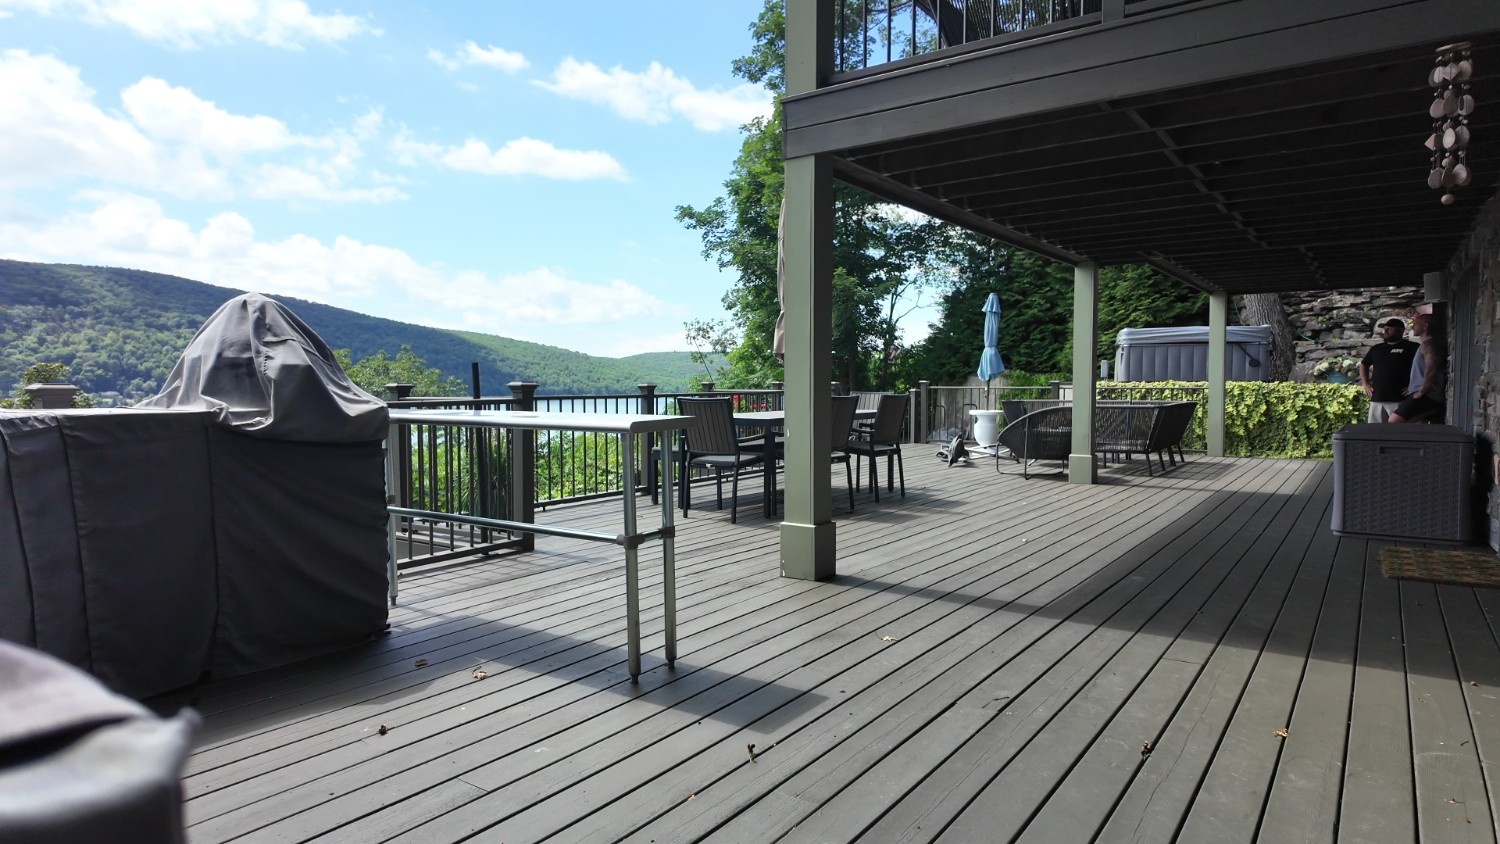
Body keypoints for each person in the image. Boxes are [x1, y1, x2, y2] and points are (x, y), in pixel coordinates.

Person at [1359, 316, 1419, 422]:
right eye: (1385, 328)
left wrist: (1415, 386)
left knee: (1399, 434)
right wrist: (1365, 383)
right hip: (1377, 399)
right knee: (1375, 433)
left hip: (1401, 399)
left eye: (1390, 328)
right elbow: (1364, 364)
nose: (1386, 330)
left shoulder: (1412, 347)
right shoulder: (1376, 349)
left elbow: (1423, 367)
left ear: (1401, 330)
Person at [1389, 312, 1446, 423]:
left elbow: (1431, 368)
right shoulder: (1426, 344)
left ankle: (1434, 411)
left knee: (1394, 420)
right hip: (1421, 394)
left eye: (1415, 324)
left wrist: (1421, 391)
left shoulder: (1429, 344)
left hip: (1427, 396)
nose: (1412, 327)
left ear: (1425, 326)